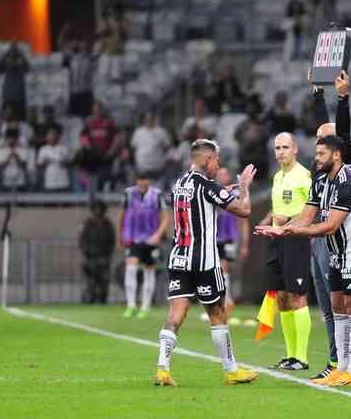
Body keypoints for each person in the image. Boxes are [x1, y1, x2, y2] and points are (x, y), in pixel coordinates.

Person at [256, 135, 351, 387]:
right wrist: (282, 230)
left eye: (321, 154)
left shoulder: (349, 183)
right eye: (316, 153)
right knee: (338, 308)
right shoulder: (321, 181)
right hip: (336, 254)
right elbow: (307, 215)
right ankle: (341, 368)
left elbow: (331, 226)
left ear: (336, 155)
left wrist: (293, 232)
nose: (316, 158)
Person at [154, 139, 258, 387]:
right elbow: (244, 211)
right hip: (204, 261)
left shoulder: (178, 184)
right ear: (208, 160)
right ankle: (231, 370)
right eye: (216, 161)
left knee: (175, 314)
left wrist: (221, 190)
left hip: (179, 257)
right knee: (217, 313)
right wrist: (243, 187)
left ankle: (162, 369)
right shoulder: (208, 186)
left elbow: (202, 199)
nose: (217, 165)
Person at [306, 69, 351, 380]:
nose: (319, 147)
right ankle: (337, 360)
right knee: (327, 307)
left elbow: (343, 131)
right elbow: (324, 127)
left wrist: (342, 98)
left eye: (325, 142)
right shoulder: (321, 165)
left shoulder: (345, 159)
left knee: (341, 305)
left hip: (338, 238)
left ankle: (348, 362)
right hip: (319, 238)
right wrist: (317, 93)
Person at [257, 132, 313, 371]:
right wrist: (267, 221)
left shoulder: (304, 176)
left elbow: (314, 210)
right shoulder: (278, 176)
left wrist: (289, 219)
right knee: (281, 297)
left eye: (285, 147)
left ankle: (302, 358)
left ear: (295, 150)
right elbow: (276, 208)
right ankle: (290, 355)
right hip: (276, 239)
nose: (280, 151)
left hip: (296, 240)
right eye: (277, 147)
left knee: (297, 295)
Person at [118, 171, 170, 319]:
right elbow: (122, 216)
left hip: (150, 239)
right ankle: (131, 305)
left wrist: (158, 235)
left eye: (145, 180)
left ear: (150, 181)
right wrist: (120, 236)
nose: (143, 183)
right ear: (136, 181)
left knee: (149, 271)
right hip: (133, 238)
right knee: (131, 268)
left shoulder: (157, 195)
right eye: (140, 180)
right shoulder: (128, 194)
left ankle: (145, 307)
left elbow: (165, 217)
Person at [214, 167, 250, 315]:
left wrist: (245, 244)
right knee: (216, 270)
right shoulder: (213, 192)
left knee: (223, 267)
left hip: (229, 238)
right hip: (213, 237)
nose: (223, 176)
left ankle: (226, 302)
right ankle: (223, 301)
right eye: (220, 174)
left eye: (225, 174)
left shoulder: (236, 194)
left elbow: (244, 220)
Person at [79, 200, 116, 303]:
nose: (98, 212)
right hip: (90, 258)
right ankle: (89, 301)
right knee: (91, 283)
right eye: (96, 209)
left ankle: (102, 301)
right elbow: (82, 241)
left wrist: (107, 256)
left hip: (103, 258)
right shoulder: (87, 224)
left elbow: (111, 242)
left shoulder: (108, 224)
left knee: (104, 283)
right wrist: (87, 254)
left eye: (100, 209)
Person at [130, 111, 172, 180]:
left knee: (157, 188)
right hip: (142, 165)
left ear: (154, 119)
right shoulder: (138, 132)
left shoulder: (161, 131)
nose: (149, 120)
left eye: (151, 118)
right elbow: (133, 147)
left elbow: (167, 147)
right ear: (144, 120)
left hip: (157, 165)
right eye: (147, 118)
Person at [0, 42, 29, 120]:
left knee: (18, 117)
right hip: (10, 95)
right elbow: (0, 68)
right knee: (7, 118)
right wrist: (7, 55)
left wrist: (19, 55)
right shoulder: (7, 59)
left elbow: (27, 68)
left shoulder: (20, 59)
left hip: (17, 94)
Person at [37, 127, 72, 192]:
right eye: (49, 135)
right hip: (50, 182)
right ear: (46, 137)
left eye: (53, 135)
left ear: (57, 136)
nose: (51, 137)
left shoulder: (64, 148)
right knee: (50, 201)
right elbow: (39, 165)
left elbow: (70, 163)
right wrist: (44, 163)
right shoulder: (43, 149)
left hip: (63, 182)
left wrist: (64, 163)